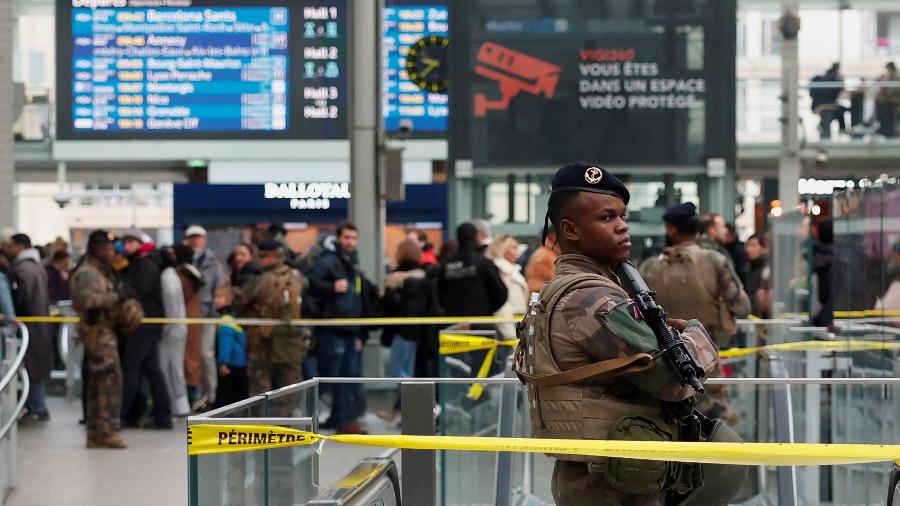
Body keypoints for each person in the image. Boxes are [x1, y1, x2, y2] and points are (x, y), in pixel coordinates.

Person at [513, 163, 723, 505]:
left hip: (606, 473)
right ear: (571, 229)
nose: (623, 226)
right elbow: (674, 382)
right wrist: (697, 335)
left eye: (621, 216)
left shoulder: (568, 288)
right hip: (611, 484)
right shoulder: (592, 298)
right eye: (606, 218)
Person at [640, 203, 750, 423]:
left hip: (664, 369)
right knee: (714, 430)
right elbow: (742, 306)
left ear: (672, 230)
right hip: (709, 365)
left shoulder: (650, 267)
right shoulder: (714, 261)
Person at [306, 222, 369, 434]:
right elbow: (310, 283)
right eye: (346, 237)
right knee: (334, 376)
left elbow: (357, 299)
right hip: (333, 328)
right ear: (339, 238)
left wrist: (359, 332)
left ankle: (339, 418)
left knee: (345, 376)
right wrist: (331, 287)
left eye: (353, 237)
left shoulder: (351, 263)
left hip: (349, 328)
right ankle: (340, 420)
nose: (350, 241)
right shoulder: (329, 261)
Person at [69, 230, 127, 448]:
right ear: (97, 249)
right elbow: (88, 301)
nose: (112, 252)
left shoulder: (102, 272)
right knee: (106, 385)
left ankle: (101, 431)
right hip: (97, 334)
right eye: (108, 248)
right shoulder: (87, 273)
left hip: (106, 333)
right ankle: (104, 431)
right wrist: (115, 297)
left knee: (107, 383)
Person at [239, 240, 305, 415]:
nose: (258, 260)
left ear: (271, 257)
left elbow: (240, 301)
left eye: (261, 256)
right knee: (290, 386)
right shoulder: (297, 277)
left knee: (260, 385)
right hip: (291, 340)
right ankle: (287, 427)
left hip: (263, 340)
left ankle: (262, 428)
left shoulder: (261, 280)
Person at [378, 239, 437, 422]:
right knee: (414, 373)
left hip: (402, 333)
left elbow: (389, 308)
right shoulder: (426, 277)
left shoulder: (395, 280)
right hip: (421, 334)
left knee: (401, 373)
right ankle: (409, 411)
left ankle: (412, 411)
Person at [119, 228, 172, 429]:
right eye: (126, 242)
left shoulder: (145, 266)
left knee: (131, 368)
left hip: (144, 323)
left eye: (131, 242)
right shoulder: (143, 264)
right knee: (152, 369)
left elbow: (137, 292)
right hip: (148, 324)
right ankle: (162, 415)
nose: (127, 247)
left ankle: (123, 414)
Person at [4, 233, 52, 423]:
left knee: (30, 366)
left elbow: (23, 298)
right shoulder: (36, 266)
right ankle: (36, 405)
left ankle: (36, 407)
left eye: (10, 245)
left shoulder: (23, 269)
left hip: (30, 324)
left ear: (19, 246)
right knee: (34, 366)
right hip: (38, 324)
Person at [184, 225, 227, 408]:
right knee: (189, 357)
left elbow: (221, 286)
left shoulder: (213, 261)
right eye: (192, 237)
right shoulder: (184, 261)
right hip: (186, 315)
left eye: (198, 237)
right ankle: (195, 394)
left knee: (206, 354)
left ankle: (212, 395)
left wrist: (218, 301)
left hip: (207, 314)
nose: (195, 241)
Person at [436, 223, 508, 318]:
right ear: (476, 237)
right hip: (481, 321)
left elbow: (439, 293)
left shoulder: (447, 264)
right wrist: (487, 308)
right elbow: (500, 292)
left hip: (453, 321)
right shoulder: (484, 263)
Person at [158, 246, 191, 416]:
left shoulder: (166, 278)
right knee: (175, 367)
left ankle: (174, 404)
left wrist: (166, 327)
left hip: (172, 329)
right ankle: (180, 404)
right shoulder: (174, 276)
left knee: (168, 367)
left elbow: (171, 305)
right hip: (179, 327)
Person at [172, 244, 205, 410]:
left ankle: (191, 396)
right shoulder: (194, 272)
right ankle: (194, 393)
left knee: (187, 359)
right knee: (193, 357)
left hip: (185, 318)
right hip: (195, 317)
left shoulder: (181, 275)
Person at [486, 235, 529, 342]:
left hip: (517, 322)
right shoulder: (498, 270)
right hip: (507, 324)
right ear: (502, 248)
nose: (517, 251)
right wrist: (510, 335)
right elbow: (502, 303)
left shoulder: (510, 269)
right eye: (513, 247)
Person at [214, 286, 248, 408]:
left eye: (219, 297)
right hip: (240, 362)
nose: (215, 300)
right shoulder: (235, 318)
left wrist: (223, 363)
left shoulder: (225, 320)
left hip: (231, 363)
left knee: (225, 398)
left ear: (229, 300)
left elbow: (225, 343)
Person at [810, 63, 846, 139]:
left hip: (817, 106)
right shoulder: (834, 80)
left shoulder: (819, 79)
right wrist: (842, 80)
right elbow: (842, 92)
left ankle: (839, 130)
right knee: (840, 110)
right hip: (824, 106)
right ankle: (842, 130)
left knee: (837, 111)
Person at [524, 226, 560, 292]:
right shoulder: (544, 255)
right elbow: (535, 286)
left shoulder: (553, 253)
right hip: (544, 299)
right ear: (552, 236)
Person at [745, 234, 772, 318]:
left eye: (753, 245)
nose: (748, 249)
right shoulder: (749, 267)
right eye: (747, 245)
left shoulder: (768, 268)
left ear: (764, 248)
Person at [876, 62, 900, 137]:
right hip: (891, 100)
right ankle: (884, 129)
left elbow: (892, 90)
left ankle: (887, 130)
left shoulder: (897, 76)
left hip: (894, 100)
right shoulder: (892, 75)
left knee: (884, 110)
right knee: (881, 106)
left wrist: (884, 94)